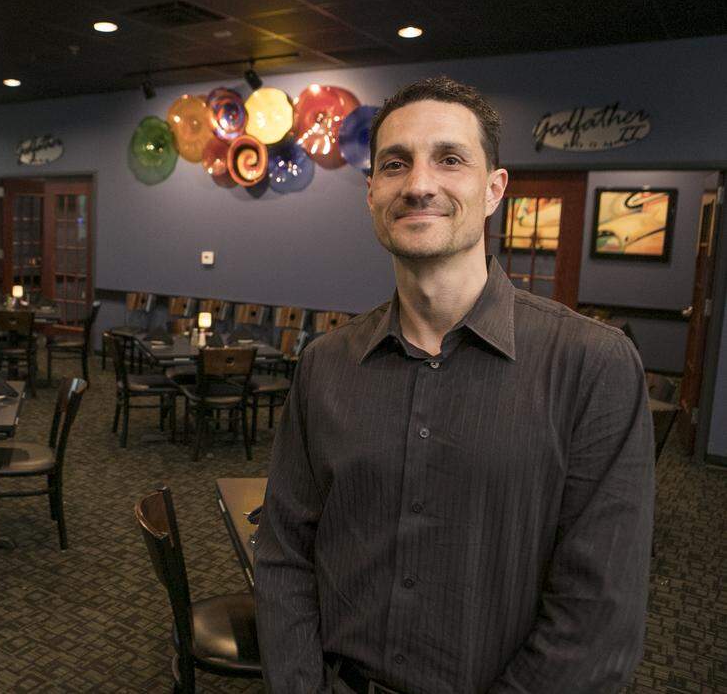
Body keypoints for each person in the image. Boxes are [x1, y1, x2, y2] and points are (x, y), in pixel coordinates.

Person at [254, 76, 654, 694]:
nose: (419, 184)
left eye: (449, 159)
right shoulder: (324, 366)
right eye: (395, 164)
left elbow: (597, 619)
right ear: (371, 193)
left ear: (493, 189)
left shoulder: (593, 366)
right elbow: (284, 555)